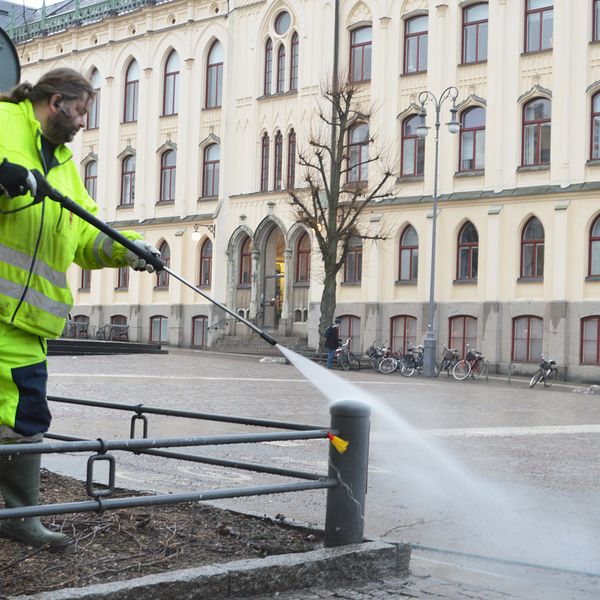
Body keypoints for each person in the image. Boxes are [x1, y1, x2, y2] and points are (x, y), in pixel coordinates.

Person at [0, 68, 159, 550]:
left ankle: (17, 517)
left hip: (26, 326)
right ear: (56, 102)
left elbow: (84, 236)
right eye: (81, 112)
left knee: (24, 420)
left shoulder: (66, 166)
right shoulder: (4, 123)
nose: (82, 123)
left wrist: (127, 249)